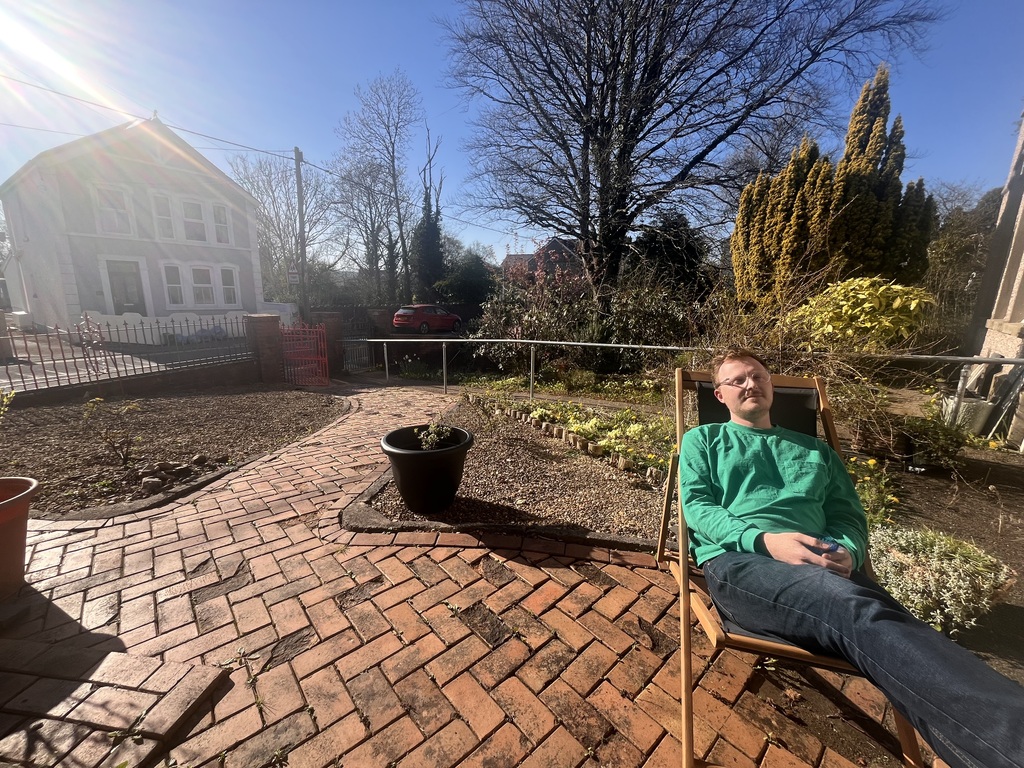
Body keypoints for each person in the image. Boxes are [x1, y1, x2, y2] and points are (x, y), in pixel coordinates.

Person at [679, 348, 1024, 768]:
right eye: (738, 380)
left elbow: (847, 516)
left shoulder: (815, 451)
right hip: (742, 563)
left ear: (771, 387)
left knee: (902, 631)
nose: (751, 384)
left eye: (759, 377)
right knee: (852, 607)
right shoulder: (704, 440)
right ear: (719, 395)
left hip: (825, 563)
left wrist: (849, 552)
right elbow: (698, 508)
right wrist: (765, 541)